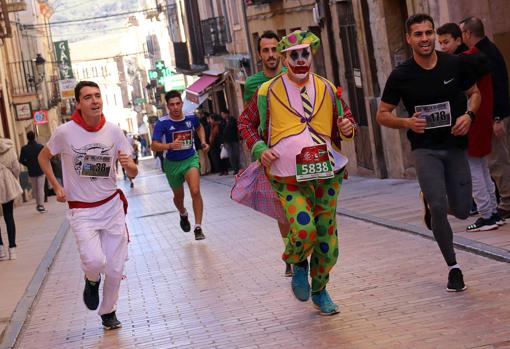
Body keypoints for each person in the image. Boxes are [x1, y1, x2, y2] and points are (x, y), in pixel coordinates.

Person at [248, 30, 356, 315]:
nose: (300, 60)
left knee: (327, 241)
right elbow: (245, 124)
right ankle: (296, 260)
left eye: (304, 54)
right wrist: (260, 148)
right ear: (284, 58)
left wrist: (348, 128)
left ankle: (320, 290)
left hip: (327, 172)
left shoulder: (327, 88)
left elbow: (346, 118)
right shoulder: (267, 91)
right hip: (287, 175)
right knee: (304, 229)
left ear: (312, 55)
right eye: (293, 55)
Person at [376, 14, 481, 292]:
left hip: (455, 146)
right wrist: (407, 122)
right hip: (425, 149)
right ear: (409, 39)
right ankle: (453, 267)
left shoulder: (454, 63)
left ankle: (432, 203)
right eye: (418, 34)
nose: (424, 38)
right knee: (438, 206)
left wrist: (469, 115)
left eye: (428, 33)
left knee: (460, 210)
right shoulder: (401, 75)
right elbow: (382, 115)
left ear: (434, 34)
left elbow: (475, 93)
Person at [38, 80, 138, 330]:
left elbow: (134, 172)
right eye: (88, 97)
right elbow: (43, 157)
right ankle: (91, 281)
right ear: (78, 103)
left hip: (111, 206)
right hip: (82, 209)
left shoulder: (114, 131)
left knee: (115, 269)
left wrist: (129, 166)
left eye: (97, 96)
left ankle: (108, 312)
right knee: (94, 262)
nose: (95, 101)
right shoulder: (65, 132)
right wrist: (57, 186)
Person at [437, 22, 503, 231]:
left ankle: (487, 215)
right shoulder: (478, 56)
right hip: (481, 117)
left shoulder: (461, 62)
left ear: (459, 39)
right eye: (441, 43)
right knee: (482, 167)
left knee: (475, 168)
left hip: (472, 119)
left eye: (446, 42)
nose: (443, 47)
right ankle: (492, 212)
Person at [238, 30, 293, 277]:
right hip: (271, 153)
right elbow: (250, 119)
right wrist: (260, 149)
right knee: (281, 208)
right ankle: (291, 253)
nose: (271, 55)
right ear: (259, 54)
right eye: (266, 50)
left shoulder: (291, 74)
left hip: (295, 149)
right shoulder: (252, 84)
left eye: (274, 50)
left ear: (280, 52)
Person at [460, 16, 510, 220]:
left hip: (494, 116)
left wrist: (497, 118)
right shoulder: (490, 49)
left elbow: (498, 87)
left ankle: (507, 202)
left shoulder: (483, 54)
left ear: (468, 33)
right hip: (495, 115)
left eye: (462, 33)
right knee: (495, 161)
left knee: (498, 161)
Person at [151, 90, 209, 240]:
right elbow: (154, 146)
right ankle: (183, 213)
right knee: (179, 197)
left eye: (178, 104)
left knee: (195, 191)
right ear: (167, 106)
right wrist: (170, 145)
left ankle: (198, 227)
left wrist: (202, 141)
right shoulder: (162, 123)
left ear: (182, 104)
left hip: (190, 158)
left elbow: (199, 127)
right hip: (172, 164)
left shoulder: (191, 118)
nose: (175, 107)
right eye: (172, 105)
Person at [0, 138, 23, 261]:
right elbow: (16, 167)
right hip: (8, 183)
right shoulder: (9, 147)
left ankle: (0, 250)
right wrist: (12, 177)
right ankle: (12, 249)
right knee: (9, 216)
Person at [19, 130, 46, 213]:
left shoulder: (24, 148)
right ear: (34, 137)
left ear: (27, 138)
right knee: (40, 188)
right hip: (41, 170)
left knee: (35, 189)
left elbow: (21, 160)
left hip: (31, 171)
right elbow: (45, 157)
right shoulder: (40, 146)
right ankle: (41, 205)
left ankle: (38, 203)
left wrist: (28, 164)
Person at [221, 108, 240, 175]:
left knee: (236, 154)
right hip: (227, 141)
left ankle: (237, 168)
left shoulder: (232, 120)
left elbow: (235, 128)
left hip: (234, 140)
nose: (222, 115)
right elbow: (222, 132)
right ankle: (235, 169)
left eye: (223, 114)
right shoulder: (222, 122)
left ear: (226, 113)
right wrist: (222, 142)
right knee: (231, 155)